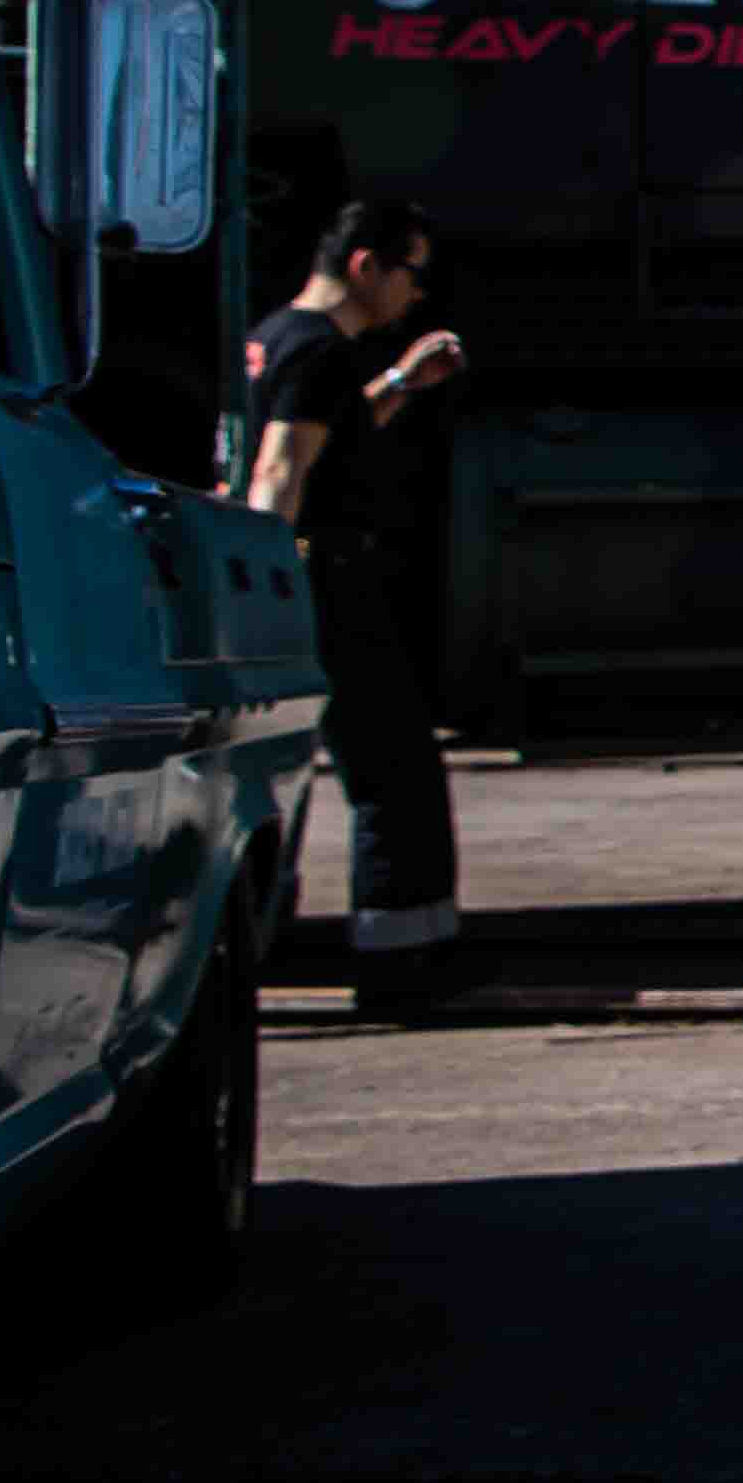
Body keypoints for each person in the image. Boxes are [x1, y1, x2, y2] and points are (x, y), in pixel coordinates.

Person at [241, 199, 472, 1008]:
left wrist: (402, 383)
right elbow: (279, 470)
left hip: (312, 577)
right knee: (393, 771)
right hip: (325, 581)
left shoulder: (276, 338)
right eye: (410, 271)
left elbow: (328, 431)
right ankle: (402, 964)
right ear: (366, 265)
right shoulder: (320, 350)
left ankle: (267, 940)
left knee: (292, 774)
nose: (416, 292)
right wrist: (263, 587)